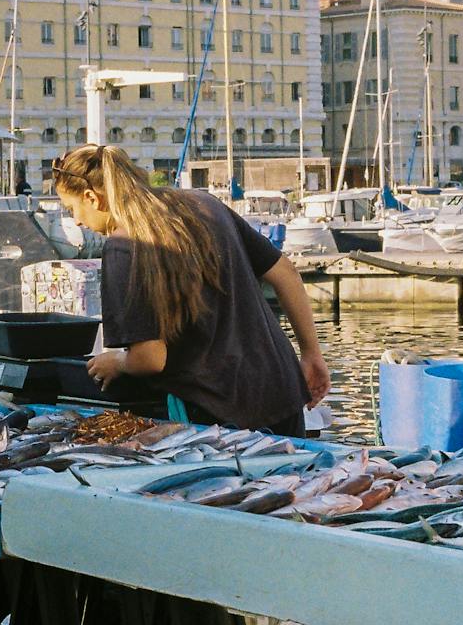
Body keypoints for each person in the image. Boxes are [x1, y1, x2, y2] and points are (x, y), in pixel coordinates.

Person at [53, 143, 329, 434]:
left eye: (73, 209)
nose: (78, 221)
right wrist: (312, 354)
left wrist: (117, 362)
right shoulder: (204, 203)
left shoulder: (122, 247)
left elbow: (151, 358)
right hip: (280, 390)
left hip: (219, 413)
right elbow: (285, 272)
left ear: (92, 198)